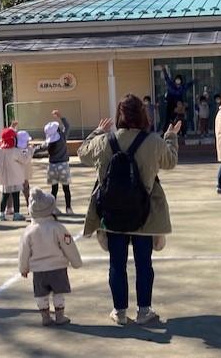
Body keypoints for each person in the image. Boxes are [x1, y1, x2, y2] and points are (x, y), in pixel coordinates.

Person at [78, 94, 180, 326]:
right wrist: (171, 136)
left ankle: (120, 311)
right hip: (145, 212)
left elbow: (83, 153)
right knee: (144, 263)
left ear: (118, 116)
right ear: (143, 115)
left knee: (117, 263)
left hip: (112, 211)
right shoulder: (153, 141)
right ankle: (144, 310)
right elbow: (170, 162)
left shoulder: (105, 141)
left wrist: (97, 132)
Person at [19, 188, 82, 326]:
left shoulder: (29, 231)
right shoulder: (57, 227)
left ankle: (45, 317)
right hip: (57, 267)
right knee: (58, 293)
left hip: (39, 271)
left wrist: (23, 268)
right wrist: (76, 262)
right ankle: (60, 316)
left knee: (41, 295)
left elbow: (24, 251)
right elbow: (68, 245)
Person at [0, 127, 30, 221]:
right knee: (16, 196)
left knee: (4, 196)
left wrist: (1, 141)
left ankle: (1, 214)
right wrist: (30, 150)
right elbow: (25, 159)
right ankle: (16, 214)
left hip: (4, 179)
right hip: (15, 178)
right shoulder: (15, 151)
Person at [36, 110, 73, 214]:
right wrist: (61, 116)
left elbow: (39, 148)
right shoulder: (62, 137)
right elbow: (68, 126)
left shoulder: (48, 143)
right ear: (58, 130)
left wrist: (30, 150)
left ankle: (53, 208)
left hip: (52, 166)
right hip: (63, 166)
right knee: (66, 188)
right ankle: (68, 208)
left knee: (54, 190)